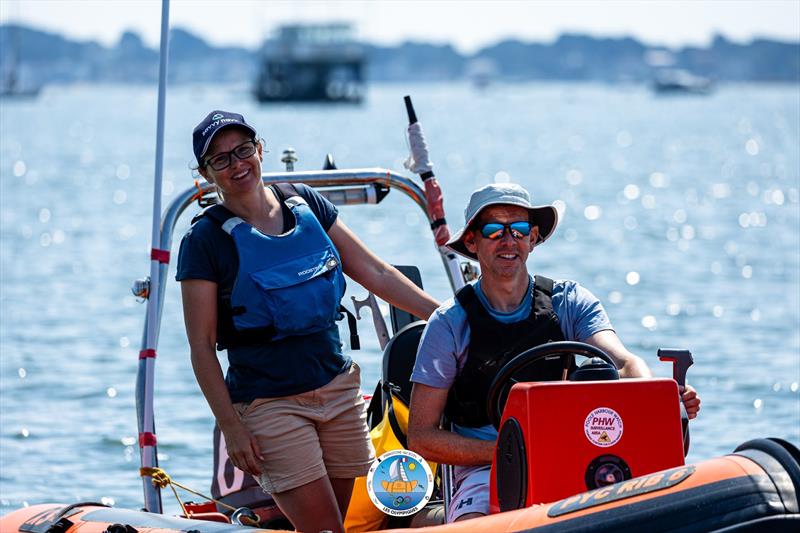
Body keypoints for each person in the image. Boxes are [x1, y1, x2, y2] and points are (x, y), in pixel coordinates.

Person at [177, 110, 439, 533]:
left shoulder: (307, 204)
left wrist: (448, 315)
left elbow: (376, 272)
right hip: (269, 404)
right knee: (325, 531)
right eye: (221, 160)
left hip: (336, 391)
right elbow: (201, 347)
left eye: (243, 150)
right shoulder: (204, 241)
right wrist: (232, 427)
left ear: (260, 149)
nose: (237, 164)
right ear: (206, 173)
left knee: (338, 526)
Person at [407, 182, 701, 523]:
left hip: (574, 454)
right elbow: (421, 436)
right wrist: (512, 451)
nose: (508, 241)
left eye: (518, 230)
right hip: (483, 468)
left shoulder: (570, 302)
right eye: (493, 230)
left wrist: (659, 400)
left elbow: (623, 362)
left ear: (532, 238)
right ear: (472, 241)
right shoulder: (448, 324)